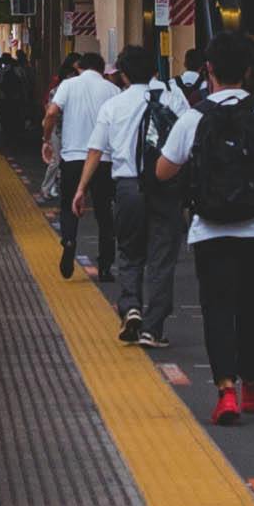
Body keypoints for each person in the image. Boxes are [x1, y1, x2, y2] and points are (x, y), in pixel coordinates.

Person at [161, 32, 254, 424]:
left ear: (208, 70)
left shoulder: (194, 116)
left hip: (209, 229)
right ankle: (253, 381)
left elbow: (163, 169)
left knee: (218, 309)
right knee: (253, 309)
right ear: (247, 71)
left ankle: (225, 391)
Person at [104, 47, 192, 349]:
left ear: (123, 74)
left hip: (128, 186)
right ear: (155, 70)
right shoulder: (172, 97)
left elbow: (101, 150)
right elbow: (186, 143)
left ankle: (130, 307)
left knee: (129, 253)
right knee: (161, 258)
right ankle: (153, 328)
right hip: (164, 186)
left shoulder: (113, 105)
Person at [42, 39, 116, 273]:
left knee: (68, 205)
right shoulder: (112, 89)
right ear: (102, 70)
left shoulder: (68, 85)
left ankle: (70, 240)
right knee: (104, 212)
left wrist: (47, 139)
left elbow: (52, 112)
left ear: (80, 68)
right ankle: (105, 266)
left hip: (72, 157)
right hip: (103, 160)